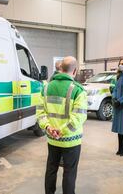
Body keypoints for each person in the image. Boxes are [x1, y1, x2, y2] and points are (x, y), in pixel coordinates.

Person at [36, 56, 87, 194]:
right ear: (75, 71)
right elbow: (79, 117)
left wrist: (48, 128)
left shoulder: (46, 88)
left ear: (61, 69)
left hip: (52, 139)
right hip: (71, 141)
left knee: (51, 169)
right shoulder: (78, 90)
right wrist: (63, 132)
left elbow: (40, 112)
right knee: (69, 172)